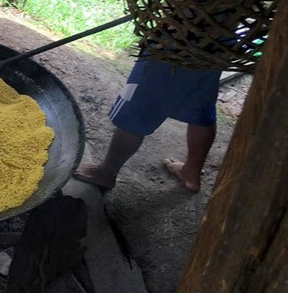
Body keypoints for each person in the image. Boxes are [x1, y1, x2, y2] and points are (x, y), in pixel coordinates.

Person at [73, 52, 221, 192]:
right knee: (201, 108)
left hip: (177, 44)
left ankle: (106, 172)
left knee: (137, 106)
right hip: (217, 46)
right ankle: (191, 172)